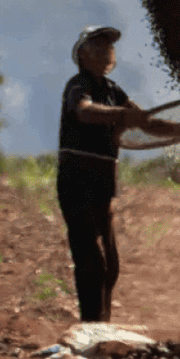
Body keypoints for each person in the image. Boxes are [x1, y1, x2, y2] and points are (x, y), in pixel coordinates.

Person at [56, 26, 151, 323]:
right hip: (77, 181)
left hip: (103, 184)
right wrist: (122, 116)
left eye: (108, 47)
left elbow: (145, 121)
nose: (104, 51)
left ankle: (102, 327)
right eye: (96, 46)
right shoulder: (78, 85)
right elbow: (84, 111)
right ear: (81, 54)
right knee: (91, 261)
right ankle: (91, 330)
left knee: (110, 266)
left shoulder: (113, 90)